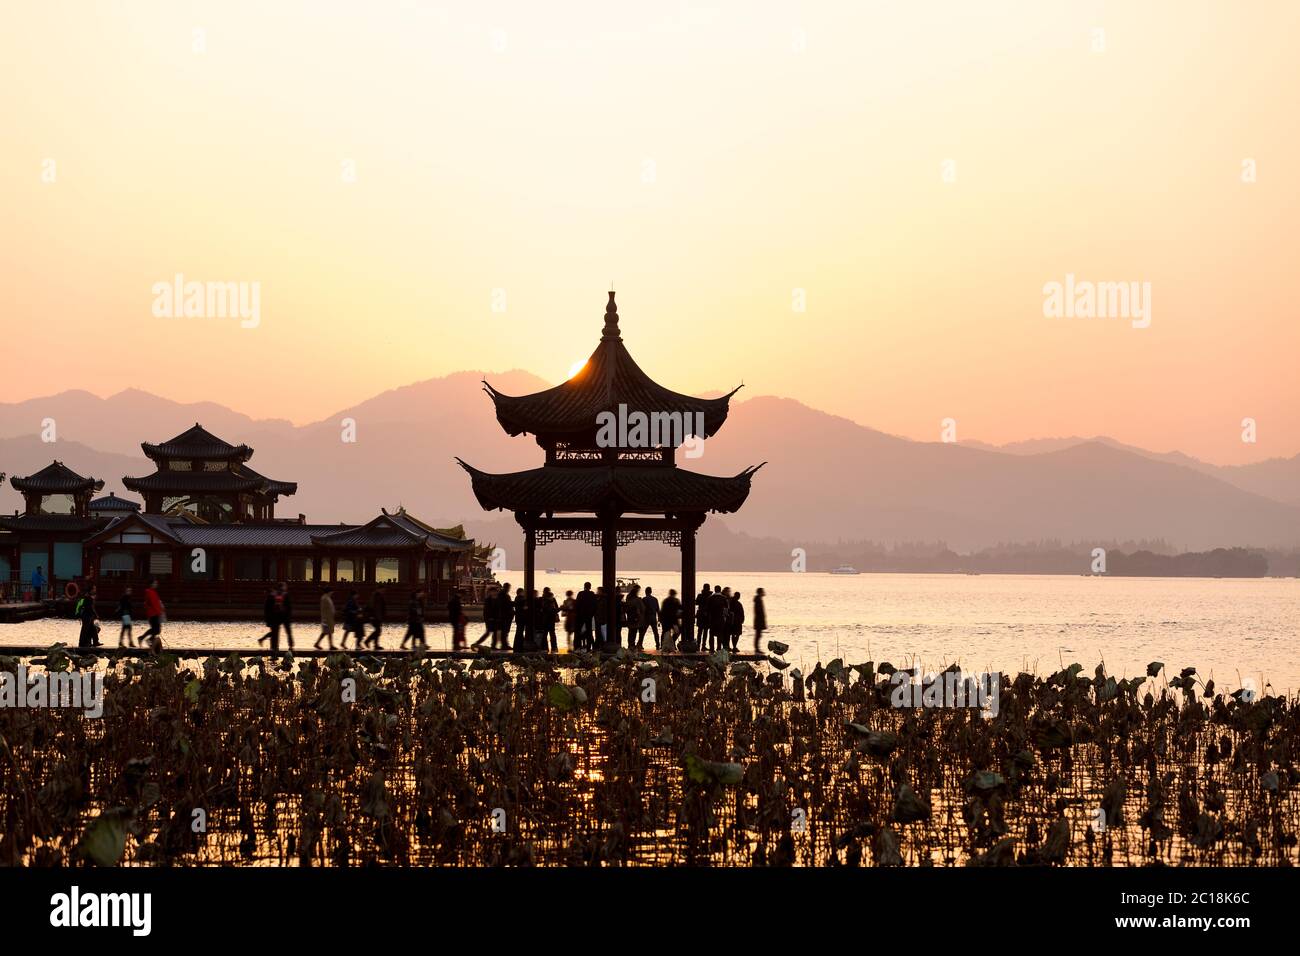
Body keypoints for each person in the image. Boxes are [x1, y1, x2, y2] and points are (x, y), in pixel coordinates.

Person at [472, 583, 499, 648]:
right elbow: (486, 611)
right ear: (490, 592)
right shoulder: (488, 600)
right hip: (489, 619)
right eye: (493, 591)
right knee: (489, 632)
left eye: (495, 592)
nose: (495, 593)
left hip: (495, 618)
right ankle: (477, 643)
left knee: (494, 632)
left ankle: (493, 646)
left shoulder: (496, 599)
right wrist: (488, 618)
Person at [140, 579, 164, 649]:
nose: (156, 584)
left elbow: (157, 603)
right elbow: (152, 603)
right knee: (155, 629)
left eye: (156, 583)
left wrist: (160, 611)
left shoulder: (154, 592)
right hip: (152, 613)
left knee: (156, 629)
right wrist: (158, 611)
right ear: (151, 584)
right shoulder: (149, 592)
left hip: (156, 613)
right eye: (155, 583)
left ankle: (146, 639)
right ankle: (147, 639)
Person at [707, 585, 728, 652]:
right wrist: (724, 618)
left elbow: (708, 609)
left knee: (711, 634)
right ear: (720, 590)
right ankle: (719, 648)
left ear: (715, 589)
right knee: (720, 634)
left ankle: (711, 649)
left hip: (712, 619)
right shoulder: (724, 598)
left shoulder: (710, 598)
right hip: (720, 619)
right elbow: (726, 609)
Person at [575, 583, 596, 650]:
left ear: (584, 587)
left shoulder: (580, 594)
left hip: (580, 615)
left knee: (578, 631)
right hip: (589, 616)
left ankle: (577, 646)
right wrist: (592, 614)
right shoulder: (592, 594)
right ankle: (589, 646)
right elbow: (595, 605)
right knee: (589, 631)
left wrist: (577, 614)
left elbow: (577, 604)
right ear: (590, 587)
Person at [316, 585, 336, 650]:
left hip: (329, 618)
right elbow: (324, 609)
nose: (332, 593)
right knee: (327, 632)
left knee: (327, 632)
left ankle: (319, 644)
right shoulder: (325, 598)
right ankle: (330, 645)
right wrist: (325, 619)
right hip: (326, 618)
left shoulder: (327, 597)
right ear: (329, 591)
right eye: (331, 591)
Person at [624, 585, 644, 649]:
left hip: (630, 617)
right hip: (635, 617)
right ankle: (632, 644)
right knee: (634, 631)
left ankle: (630, 644)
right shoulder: (637, 600)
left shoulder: (628, 598)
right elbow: (641, 609)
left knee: (631, 631)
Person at [641, 585, 661, 650]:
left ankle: (640, 644)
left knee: (643, 632)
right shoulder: (655, 599)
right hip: (653, 617)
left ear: (646, 592)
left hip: (646, 617)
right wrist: (659, 619)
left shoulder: (644, 599)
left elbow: (642, 609)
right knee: (655, 632)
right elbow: (658, 610)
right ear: (651, 592)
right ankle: (658, 644)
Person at [540, 587, 559, 652]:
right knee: (552, 634)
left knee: (545, 634)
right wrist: (560, 608)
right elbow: (554, 610)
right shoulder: (551, 601)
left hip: (544, 620)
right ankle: (554, 647)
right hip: (550, 620)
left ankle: (544, 648)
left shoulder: (542, 600)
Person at [696, 583, 712, 650]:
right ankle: (703, 646)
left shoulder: (700, 595)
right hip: (707, 616)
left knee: (700, 631)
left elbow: (696, 603)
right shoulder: (710, 596)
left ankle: (698, 645)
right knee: (705, 632)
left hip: (700, 615)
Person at [279, 582, 295, 651]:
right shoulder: (283, 595)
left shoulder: (285, 595)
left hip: (285, 616)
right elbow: (289, 606)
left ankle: (291, 645)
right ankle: (275, 645)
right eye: (284, 586)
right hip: (281, 615)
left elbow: (289, 606)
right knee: (287, 631)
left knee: (288, 631)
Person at [752, 587, 767, 654]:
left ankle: (757, 648)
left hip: (759, 620)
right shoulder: (758, 600)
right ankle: (757, 648)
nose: (764, 592)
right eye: (762, 591)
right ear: (760, 592)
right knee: (758, 635)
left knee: (758, 634)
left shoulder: (758, 599)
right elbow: (758, 611)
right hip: (759, 620)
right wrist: (761, 619)